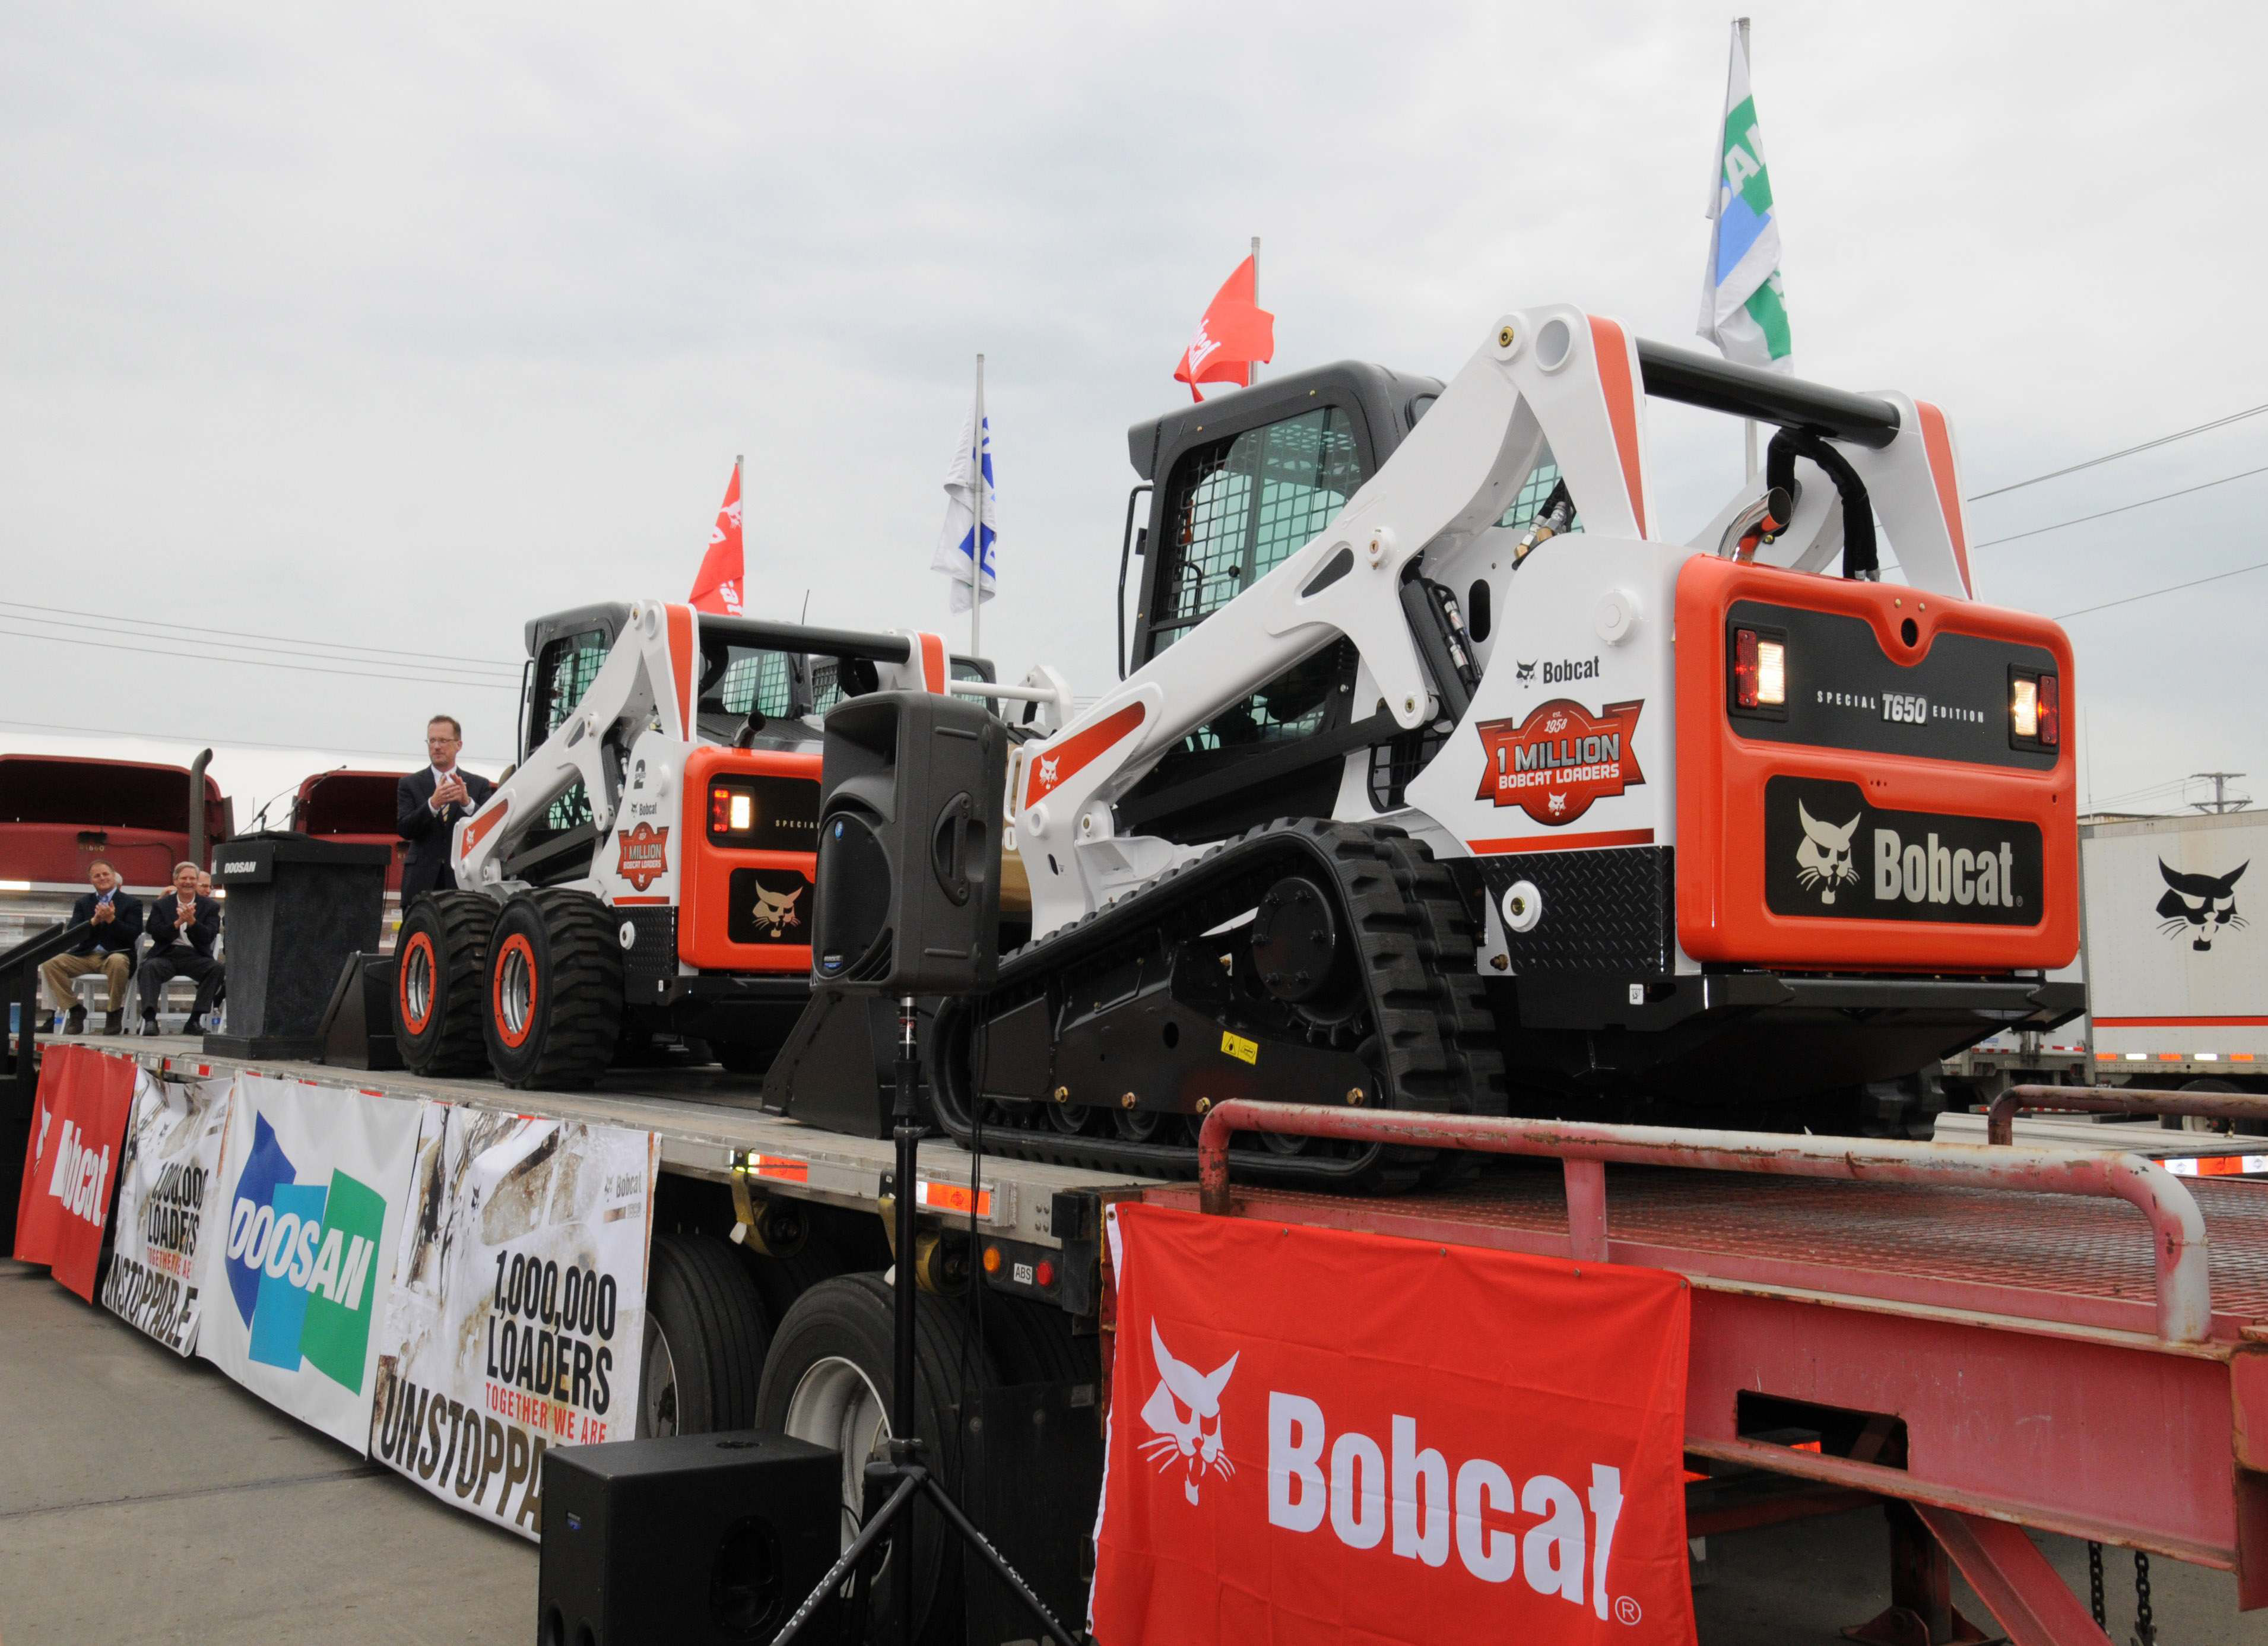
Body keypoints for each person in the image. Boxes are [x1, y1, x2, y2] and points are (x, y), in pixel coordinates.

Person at [397, 714, 496, 899]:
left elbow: (490, 830)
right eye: (432, 740)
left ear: (459, 745)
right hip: (420, 882)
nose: (436, 746)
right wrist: (432, 805)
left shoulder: (479, 785)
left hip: (463, 883)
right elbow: (405, 830)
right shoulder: (409, 784)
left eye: (443, 741)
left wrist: (467, 804)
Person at [40, 860, 143, 1035]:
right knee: (50, 964)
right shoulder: (83, 903)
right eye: (97, 876)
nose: (102, 878)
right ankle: (75, 1010)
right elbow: (72, 932)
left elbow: (133, 934)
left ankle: (113, 1012)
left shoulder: (131, 903)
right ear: (91, 881)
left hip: (115, 954)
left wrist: (112, 920)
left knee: (118, 962)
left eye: (106, 874)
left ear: (113, 876)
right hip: (86, 955)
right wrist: (93, 921)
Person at [139, 861, 225, 1033]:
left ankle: (194, 1020)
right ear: (176, 881)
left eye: (192, 879)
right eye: (184, 878)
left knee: (216, 969)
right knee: (149, 967)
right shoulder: (162, 905)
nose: (188, 882)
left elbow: (208, 936)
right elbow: (154, 932)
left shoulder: (210, 906)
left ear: (197, 881)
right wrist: (177, 923)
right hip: (167, 954)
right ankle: (150, 1020)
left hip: (194, 955)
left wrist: (192, 922)